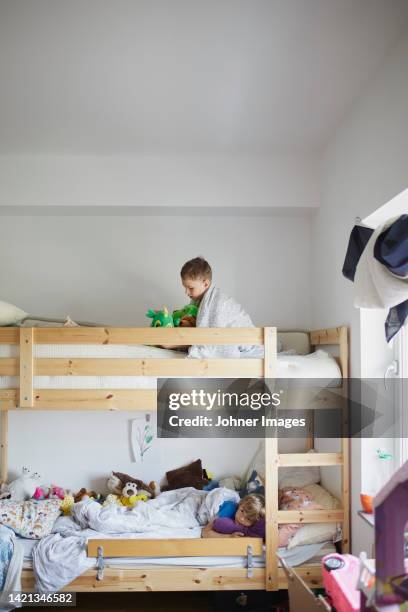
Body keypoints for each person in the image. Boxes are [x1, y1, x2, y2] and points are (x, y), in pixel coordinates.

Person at [180, 256, 262, 358]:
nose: (186, 292)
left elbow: (214, 340)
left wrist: (176, 345)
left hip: (249, 342)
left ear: (205, 284)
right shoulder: (198, 301)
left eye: (191, 288)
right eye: (185, 287)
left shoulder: (217, 303)